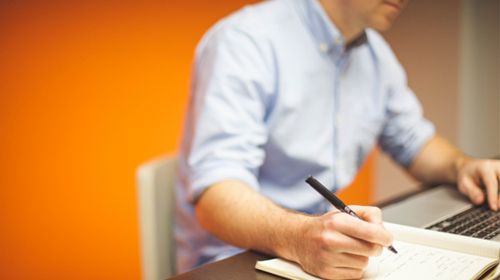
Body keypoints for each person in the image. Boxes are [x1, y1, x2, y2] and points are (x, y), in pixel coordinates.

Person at [174, 0, 500, 278]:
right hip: (239, 261)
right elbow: (215, 196)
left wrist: (462, 166)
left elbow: (414, 141)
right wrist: (298, 238)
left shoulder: (374, 54)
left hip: (321, 252)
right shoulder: (244, 42)